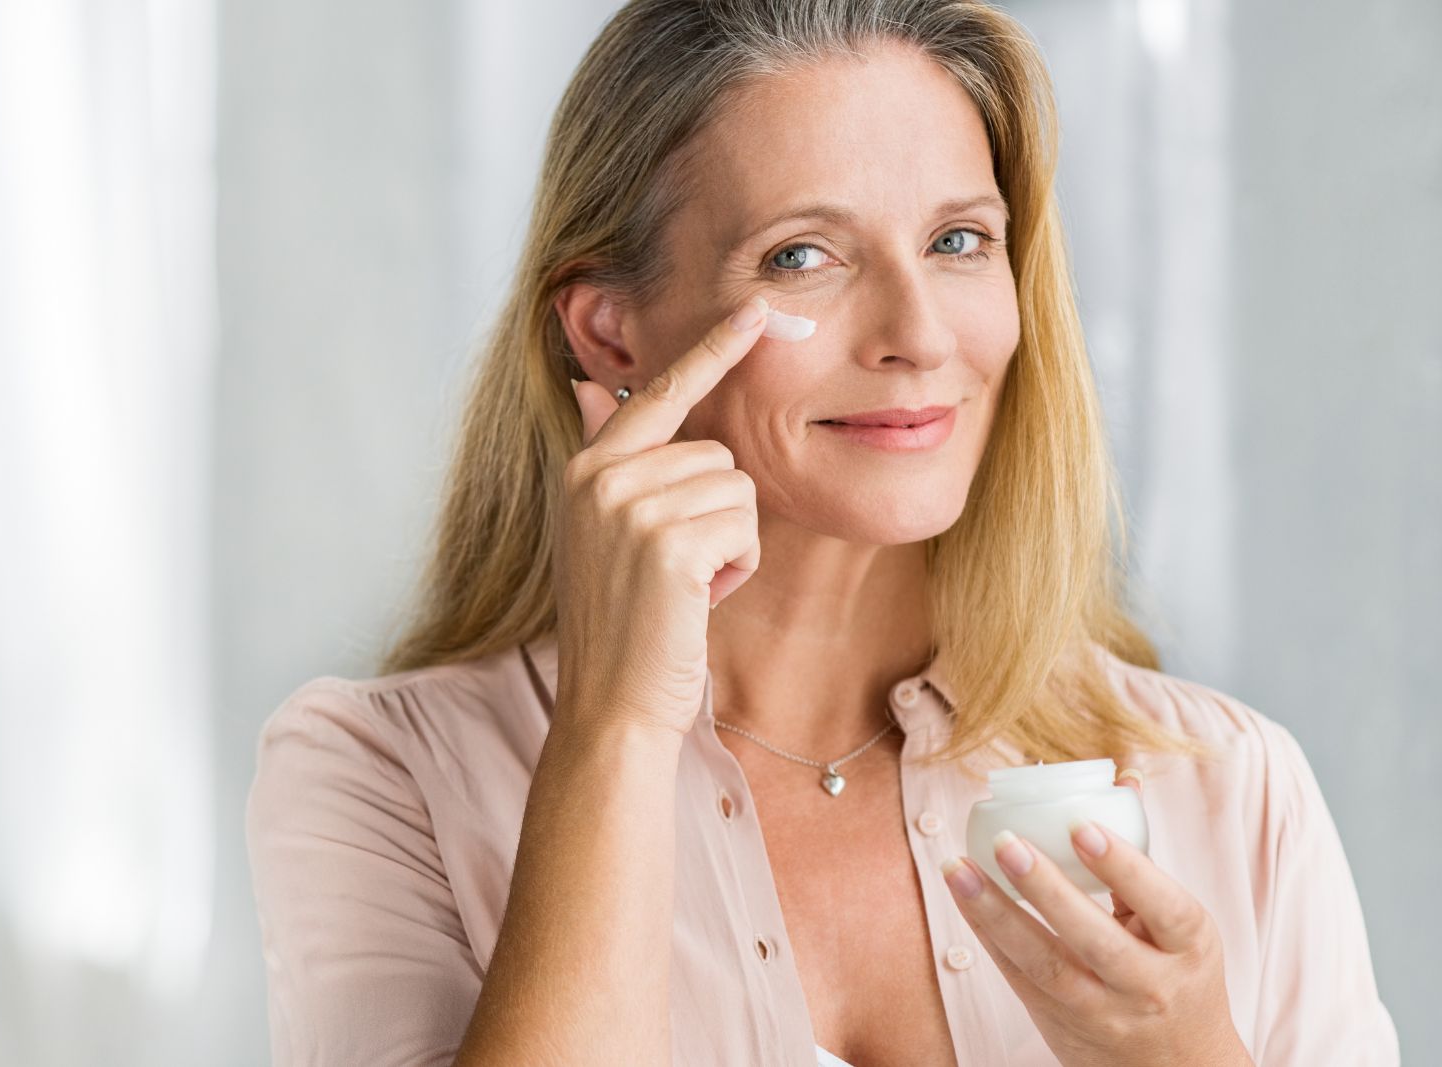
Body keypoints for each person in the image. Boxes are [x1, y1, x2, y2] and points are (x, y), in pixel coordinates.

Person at [244, 1, 1401, 1064]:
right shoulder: (385, 776)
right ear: (609, 333)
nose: (917, 332)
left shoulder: (1231, 790)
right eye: (803, 255)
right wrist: (614, 729)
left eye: (957, 241)